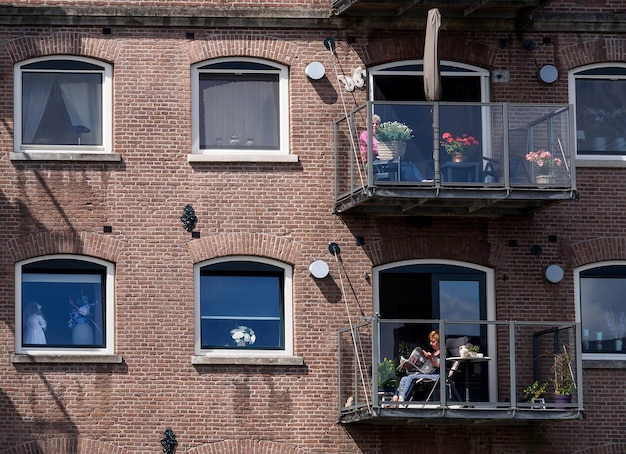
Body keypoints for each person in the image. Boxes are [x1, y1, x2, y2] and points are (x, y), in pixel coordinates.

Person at [393, 330, 440, 402]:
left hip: (436, 375)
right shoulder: (433, 352)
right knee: (404, 378)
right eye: (430, 341)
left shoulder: (444, 352)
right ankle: (395, 397)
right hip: (427, 373)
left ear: (439, 341)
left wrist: (430, 358)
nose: (431, 343)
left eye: (433, 342)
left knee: (411, 377)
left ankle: (402, 399)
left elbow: (440, 366)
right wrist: (410, 365)